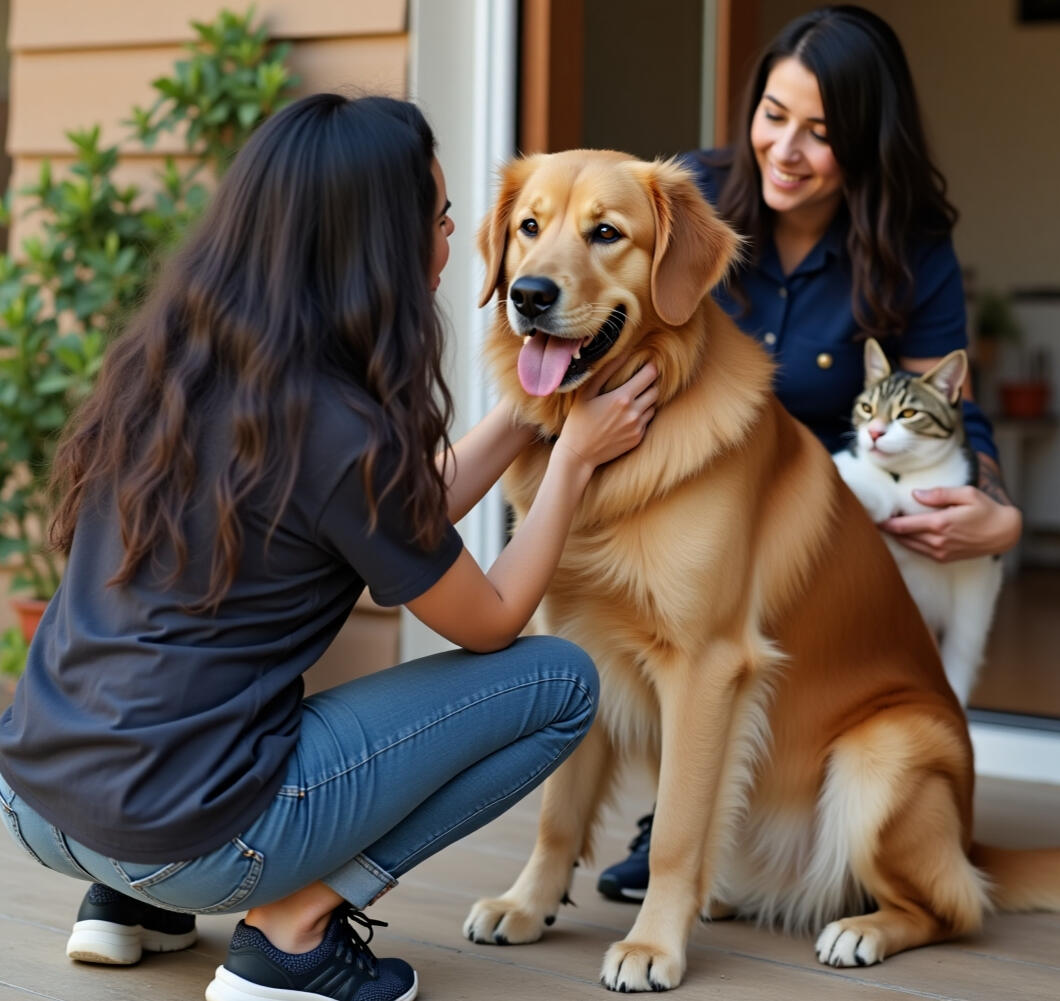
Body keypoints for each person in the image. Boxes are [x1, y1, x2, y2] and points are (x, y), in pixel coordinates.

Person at [0, 93, 660, 1001]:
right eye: (437, 217)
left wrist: (526, 416)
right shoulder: (337, 424)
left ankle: (125, 902)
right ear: (377, 249)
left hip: (36, 802)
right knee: (558, 682)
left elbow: (399, 511)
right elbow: (492, 620)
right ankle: (292, 933)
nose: (454, 238)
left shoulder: (176, 366)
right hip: (194, 839)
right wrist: (574, 461)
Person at [596, 3, 1022, 905]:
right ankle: (679, 826)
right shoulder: (692, 202)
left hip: (819, 526)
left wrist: (993, 504)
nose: (785, 150)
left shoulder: (911, 244)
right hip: (689, 502)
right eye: (774, 116)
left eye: (822, 133)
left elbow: (950, 408)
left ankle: (827, 818)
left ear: (867, 144)